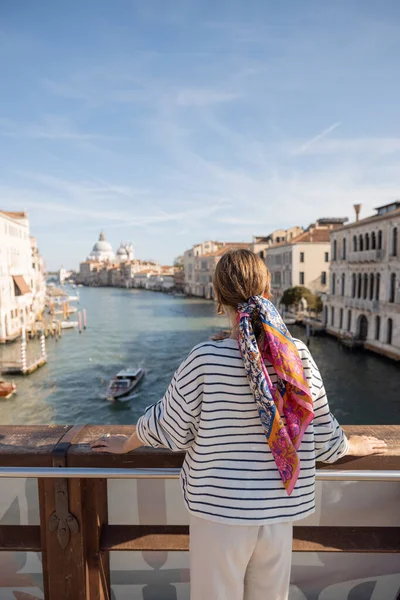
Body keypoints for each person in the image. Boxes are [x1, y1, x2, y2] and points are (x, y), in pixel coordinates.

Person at [92, 249, 387, 600]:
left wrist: (126, 442)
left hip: (219, 513)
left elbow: (170, 426)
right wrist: (352, 445)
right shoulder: (298, 356)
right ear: (269, 291)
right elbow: (320, 430)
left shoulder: (205, 358)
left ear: (218, 298)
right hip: (279, 511)